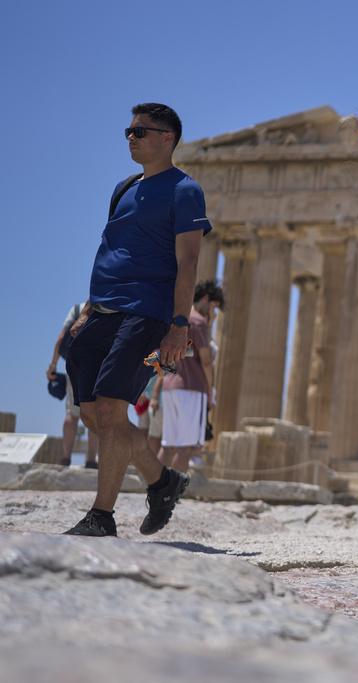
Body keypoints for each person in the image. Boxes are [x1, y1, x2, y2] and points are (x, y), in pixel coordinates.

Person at [63, 103, 211, 537]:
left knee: (112, 408)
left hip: (146, 311)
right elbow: (111, 250)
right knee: (93, 414)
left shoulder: (185, 190)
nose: (131, 137)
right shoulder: (123, 188)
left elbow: (188, 263)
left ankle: (101, 516)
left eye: (140, 131)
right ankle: (162, 481)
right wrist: (87, 310)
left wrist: (178, 326)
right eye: (128, 131)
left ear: (167, 138)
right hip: (101, 310)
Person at [158, 281, 222, 472]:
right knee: (186, 448)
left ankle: (154, 484)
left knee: (168, 445)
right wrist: (210, 391)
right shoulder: (198, 322)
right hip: (191, 389)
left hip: (170, 387)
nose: (213, 312)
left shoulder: (179, 318)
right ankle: (174, 488)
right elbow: (206, 361)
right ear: (206, 299)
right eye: (214, 307)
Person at [47, 301, 98, 468]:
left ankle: (66, 458)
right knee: (94, 414)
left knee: (72, 413)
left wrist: (53, 365)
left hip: (75, 363)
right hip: (98, 365)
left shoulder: (77, 309)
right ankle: (91, 460)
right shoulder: (106, 304)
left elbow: (61, 338)